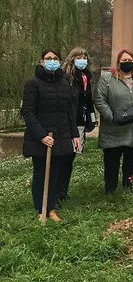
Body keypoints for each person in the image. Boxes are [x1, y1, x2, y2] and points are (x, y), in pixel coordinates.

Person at [21, 49, 79, 222]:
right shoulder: (33, 83)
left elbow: (69, 110)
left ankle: (52, 208)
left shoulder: (64, 83)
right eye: (48, 58)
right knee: (41, 173)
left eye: (55, 58)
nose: (52, 61)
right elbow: (28, 112)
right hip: (41, 137)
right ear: (41, 62)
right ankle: (41, 208)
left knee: (55, 173)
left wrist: (74, 134)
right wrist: (41, 135)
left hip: (60, 136)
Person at [94, 49, 133, 194]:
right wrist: (111, 117)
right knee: (112, 160)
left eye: (130, 60)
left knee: (132, 159)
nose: (127, 63)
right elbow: (99, 99)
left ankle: (128, 183)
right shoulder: (108, 79)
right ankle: (111, 188)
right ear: (118, 62)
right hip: (114, 128)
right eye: (124, 60)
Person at [59, 47, 96, 201]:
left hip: (80, 122)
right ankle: (57, 192)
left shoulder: (86, 77)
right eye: (79, 56)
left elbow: (88, 100)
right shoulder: (66, 78)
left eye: (85, 56)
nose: (82, 59)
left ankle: (63, 191)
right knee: (63, 157)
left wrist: (92, 119)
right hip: (67, 123)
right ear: (72, 58)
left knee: (71, 157)